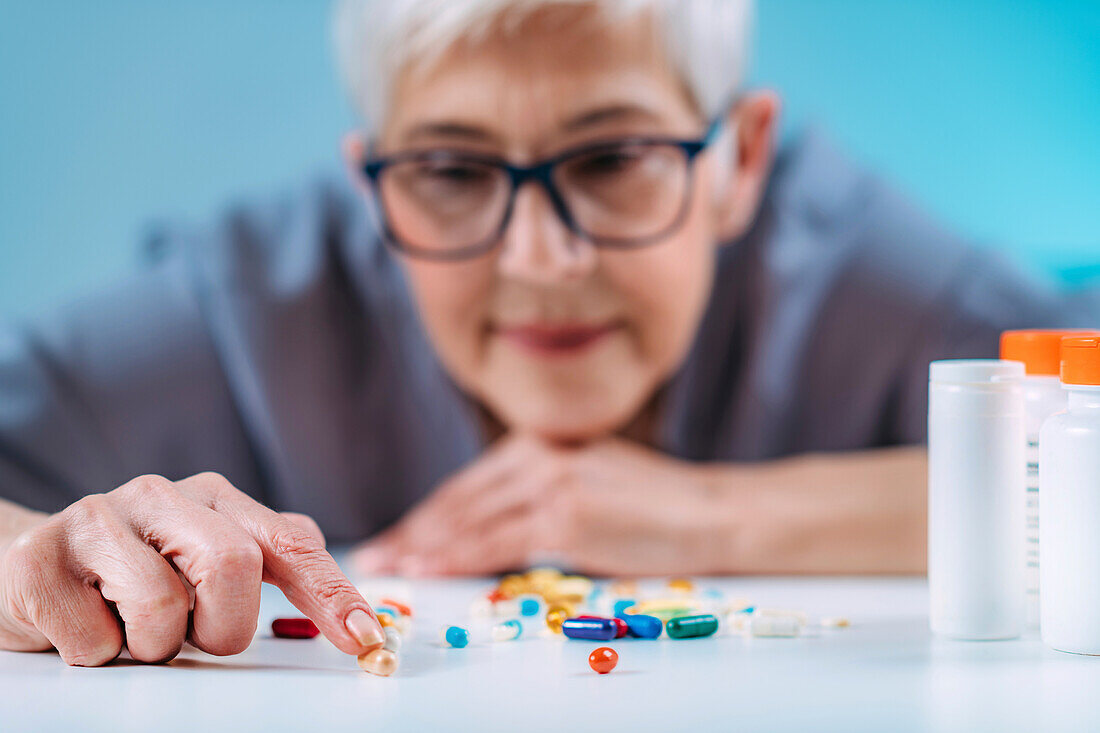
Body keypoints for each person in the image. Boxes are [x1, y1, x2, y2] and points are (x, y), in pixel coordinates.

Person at [1, 0, 1097, 667]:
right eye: (447, 171)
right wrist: (24, 561)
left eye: (613, 158)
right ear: (370, 188)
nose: (539, 258)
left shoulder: (875, 281)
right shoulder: (241, 302)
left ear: (742, 160)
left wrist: (711, 515)